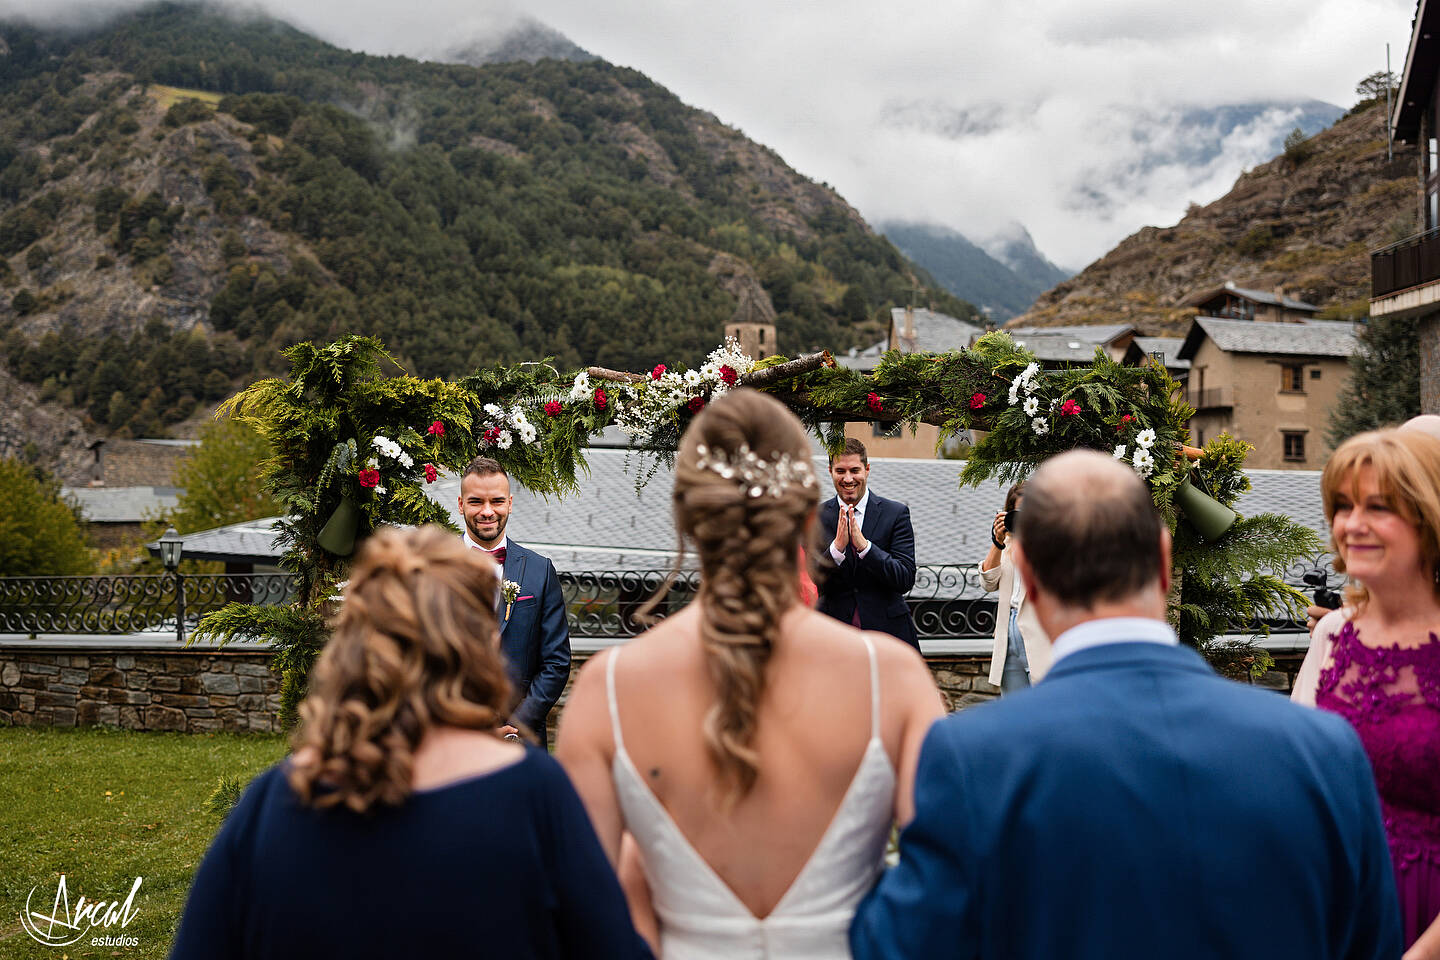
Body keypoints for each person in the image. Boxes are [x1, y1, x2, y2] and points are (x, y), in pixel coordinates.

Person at [850, 450, 1401, 960]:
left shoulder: (969, 757)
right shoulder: (1323, 749)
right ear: (1163, 563)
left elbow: (899, 945)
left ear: (1031, 580)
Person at [557, 389, 945, 960]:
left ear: (687, 514)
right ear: (808, 508)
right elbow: (944, 890)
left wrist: (641, 886)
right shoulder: (894, 679)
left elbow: (582, 915)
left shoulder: (606, 690)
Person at [169, 526, 651, 960]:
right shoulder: (535, 793)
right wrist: (634, 879)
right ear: (477, 646)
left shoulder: (273, 801)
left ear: (354, 644)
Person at [1291, 428, 1440, 956]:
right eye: (1344, 506)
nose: (1352, 525)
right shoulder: (1333, 636)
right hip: (1334, 909)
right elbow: (1296, 787)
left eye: (1378, 507)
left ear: (1429, 518)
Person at [458, 455, 570, 747]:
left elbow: (556, 662)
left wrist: (515, 726)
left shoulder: (539, 570)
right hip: (452, 736)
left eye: (496, 501)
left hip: (521, 740)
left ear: (509, 503)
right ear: (460, 505)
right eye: (475, 502)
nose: (487, 511)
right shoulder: (433, 568)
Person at [816, 438, 919, 649]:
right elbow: (812, 580)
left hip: (887, 633)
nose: (848, 478)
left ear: (867, 469)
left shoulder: (896, 513)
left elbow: (905, 579)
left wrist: (866, 548)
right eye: (840, 471)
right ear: (830, 471)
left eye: (855, 470)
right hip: (833, 634)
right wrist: (836, 549)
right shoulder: (815, 517)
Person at [977, 482, 1050, 692]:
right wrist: (998, 541)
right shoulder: (1007, 544)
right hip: (1008, 633)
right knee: (1015, 711)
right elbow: (988, 583)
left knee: (1044, 705)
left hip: (1038, 629)